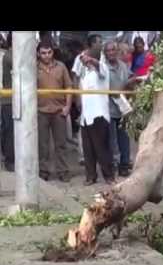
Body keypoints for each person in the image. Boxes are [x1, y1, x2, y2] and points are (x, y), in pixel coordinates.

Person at [72, 34, 115, 186]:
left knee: (102, 148)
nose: (101, 45)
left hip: (99, 113)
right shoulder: (80, 59)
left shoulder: (103, 63)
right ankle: (91, 176)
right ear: (91, 45)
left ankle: (109, 176)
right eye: (99, 42)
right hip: (85, 113)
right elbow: (75, 77)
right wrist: (77, 99)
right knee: (88, 148)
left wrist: (91, 60)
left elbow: (99, 68)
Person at [36, 41, 73, 182]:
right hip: (41, 111)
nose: (46, 56)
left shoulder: (61, 67)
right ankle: (44, 171)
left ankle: (63, 171)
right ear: (39, 54)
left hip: (59, 111)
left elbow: (69, 87)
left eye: (49, 52)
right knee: (43, 145)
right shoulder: (34, 67)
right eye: (43, 53)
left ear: (53, 52)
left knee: (61, 144)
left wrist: (68, 106)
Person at [103, 41, 135, 177]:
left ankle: (124, 165)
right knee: (110, 140)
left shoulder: (123, 66)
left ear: (117, 52)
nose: (111, 53)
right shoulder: (103, 67)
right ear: (105, 53)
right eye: (108, 51)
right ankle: (111, 166)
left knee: (124, 139)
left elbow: (130, 80)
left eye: (113, 50)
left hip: (123, 109)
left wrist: (133, 82)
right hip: (108, 109)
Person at [1, 32, 14, 172]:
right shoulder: (9, 56)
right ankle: (10, 160)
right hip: (9, 100)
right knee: (10, 132)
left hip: (16, 99)